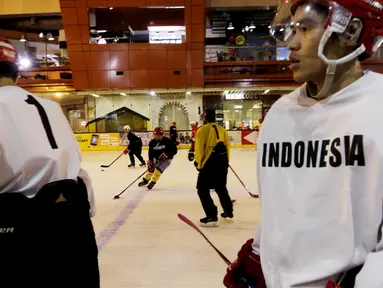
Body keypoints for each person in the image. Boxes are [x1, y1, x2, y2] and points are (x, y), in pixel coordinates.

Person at [224, 1, 383, 287]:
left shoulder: (379, 107)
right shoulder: (280, 114)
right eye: (292, 30)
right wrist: (257, 257)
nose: (292, 44)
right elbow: (278, 205)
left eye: (306, 29)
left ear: (351, 32)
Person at [0, 37, 99, 287]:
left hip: (19, 234)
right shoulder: (51, 107)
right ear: (18, 74)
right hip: (74, 227)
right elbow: (76, 164)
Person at [194, 109, 233, 227]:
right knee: (221, 187)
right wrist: (226, 162)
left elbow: (199, 148)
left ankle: (211, 215)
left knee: (202, 189)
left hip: (209, 162)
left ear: (205, 118)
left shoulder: (202, 130)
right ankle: (228, 211)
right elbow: (228, 147)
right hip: (222, 162)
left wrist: (199, 164)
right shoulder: (222, 130)